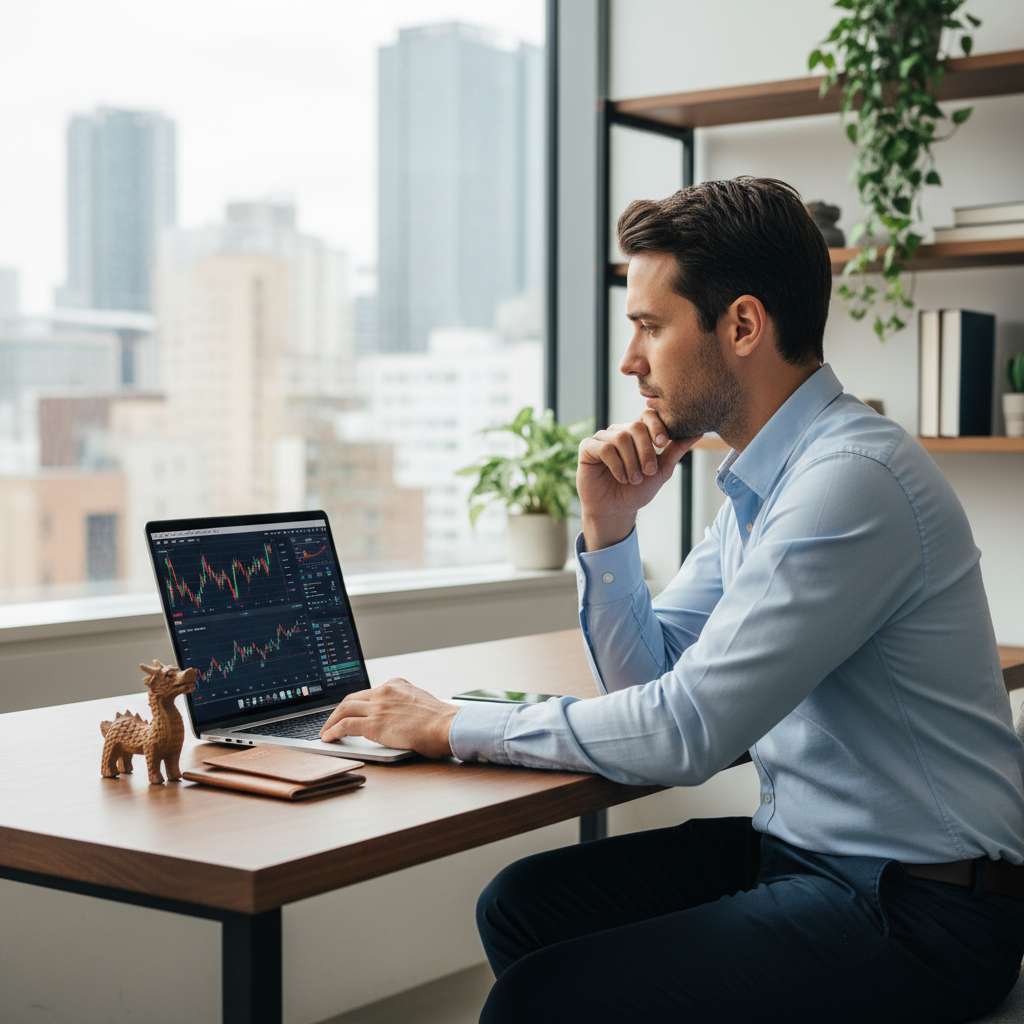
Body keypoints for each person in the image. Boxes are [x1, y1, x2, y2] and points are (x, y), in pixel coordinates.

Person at [320, 177, 1024, 1023]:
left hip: (923, 909)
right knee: (522, 905)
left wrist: (449, 723)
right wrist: (609, 527)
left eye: (650, 326)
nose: (631, 360)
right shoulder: (771, 482)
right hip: (806, 855)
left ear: (741, 326)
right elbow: (647, 684)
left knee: (535, 1003)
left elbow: (685, 732)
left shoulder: (850, 483)